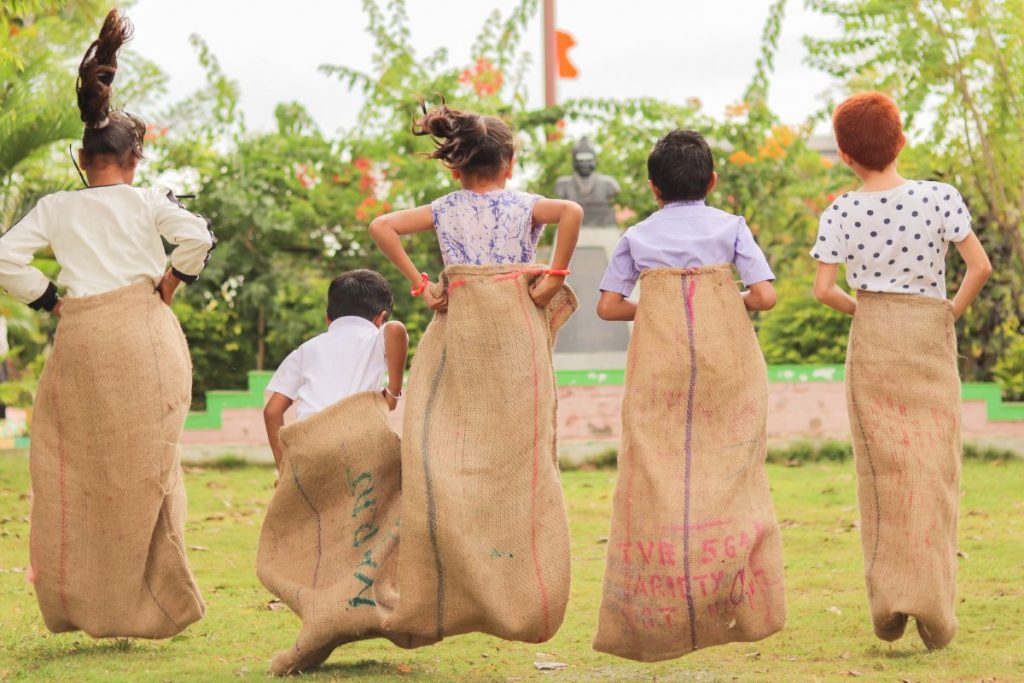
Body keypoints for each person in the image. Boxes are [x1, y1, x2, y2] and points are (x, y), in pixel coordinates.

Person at [0, 9, 214, 639]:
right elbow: (198, 236)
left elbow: (3, 255)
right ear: (136, 157)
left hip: (84, 339)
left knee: (79, 472)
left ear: (82, 158)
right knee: (153, 469)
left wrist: (49, 302)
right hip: (145, 334)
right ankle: (157, 602)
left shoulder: (56, 206)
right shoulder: (150, 200)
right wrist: (171, 282)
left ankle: (81, 604)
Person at [368, 100, 582, 644]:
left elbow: (382, 225)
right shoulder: (526, 205)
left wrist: (422, 285)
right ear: (509, 163)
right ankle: (518, 585)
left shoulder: (444, 209)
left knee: (441, 446)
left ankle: (454, 581)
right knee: (521, 450)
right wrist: (554, 275)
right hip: (515, 336)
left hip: (460, 333)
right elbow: (573, 213)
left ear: (455, 167)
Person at [592, 130, 786, 662]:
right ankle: (731, 585)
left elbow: (608, 307)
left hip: (661, 367)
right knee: (730, 467)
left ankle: (665, 601)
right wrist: (720, 300)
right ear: (713, 180)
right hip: (728, 367)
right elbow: (764, 295)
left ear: (653, 189)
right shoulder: (732, 227)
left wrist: (660, 308)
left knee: (659, 470)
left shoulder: (637, 235)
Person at [811, 91, 991, 650]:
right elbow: (978, 266)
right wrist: (948, 313)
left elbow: (824, 290)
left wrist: (867, 309)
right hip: (928, 339)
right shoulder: (939, 198)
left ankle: (889, 607)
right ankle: (936, 609)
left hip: (874, 345)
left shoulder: (840, 209)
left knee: (881, 477)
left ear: (844, 154)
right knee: (934, 474)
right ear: (903, 139)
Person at [262, 269, 408, 470]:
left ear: (328, 319)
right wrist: (393, 394)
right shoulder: (374, 338)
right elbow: (396, 329)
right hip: (359, 442)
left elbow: (272, 412)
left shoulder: (305, 350)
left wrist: (284, 468)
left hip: (310, 446)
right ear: (380, 318)